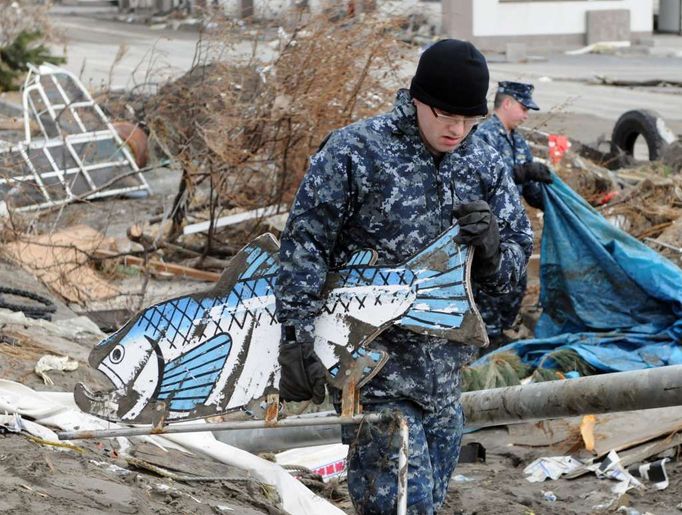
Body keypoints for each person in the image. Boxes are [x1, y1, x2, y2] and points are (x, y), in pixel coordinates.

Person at [275, 40, 533, 514]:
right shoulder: (356, 151)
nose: (457, 130)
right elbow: (304, 245)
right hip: (373, 374)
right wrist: (296, 336)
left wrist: (494, 250)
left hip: (445, 382)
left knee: (426, 505)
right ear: (417, 99)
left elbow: (516, 260)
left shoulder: (484, 162)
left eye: (469, 119)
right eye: (446, 116)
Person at [473, 81, 553, 350]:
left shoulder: (518, 140)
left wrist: (551, 203)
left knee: (515, 283)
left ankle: (501, 332)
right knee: (488, 286)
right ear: (506, 103)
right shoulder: (484, 135)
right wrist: (521, 172)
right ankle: (486, 339)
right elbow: (479, 181)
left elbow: (530, 190)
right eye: (523, 107)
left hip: (512, 229)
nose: (526, 114)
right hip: (487, 228)